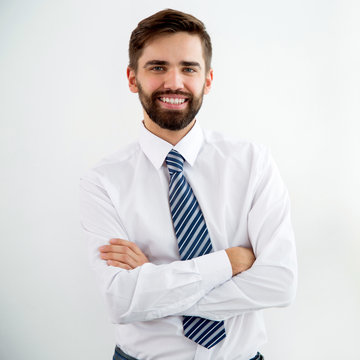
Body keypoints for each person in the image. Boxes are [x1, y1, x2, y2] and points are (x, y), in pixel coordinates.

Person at [79, 8, 297, 360]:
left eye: (189, 68)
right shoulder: (102, 182)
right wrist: (226, 264)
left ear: (208, 80)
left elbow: (279, 283)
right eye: (157, 67)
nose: (174, 83)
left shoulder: (253, 163)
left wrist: (152, 284)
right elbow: (119, 301)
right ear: (132, 78)